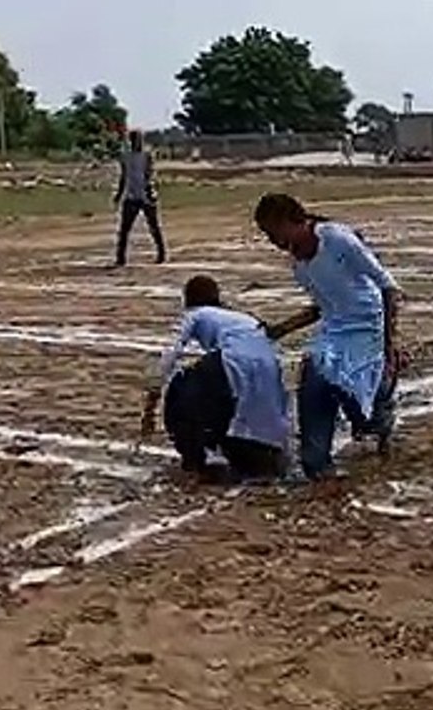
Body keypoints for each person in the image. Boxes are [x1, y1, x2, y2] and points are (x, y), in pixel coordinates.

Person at [255, 193, 401, 481]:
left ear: (290, 221)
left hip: (367, 323)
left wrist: (389, 344)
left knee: (343, 381)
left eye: (272, 232)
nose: (272, 241)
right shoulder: (299, 265)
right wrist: (282, 328)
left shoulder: (337, 240)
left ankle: (378, 416)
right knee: (314, 376)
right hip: (335, 329)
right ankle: (316, 458)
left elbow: (388, 287)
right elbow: (323, 307)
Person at [140, 275, 289, 481]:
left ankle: (200, 454)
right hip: (270, 367)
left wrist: (151, 403)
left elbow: (169, 353)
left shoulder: (196, 314)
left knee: (184, 388)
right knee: (235, 400)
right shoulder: (242, 317)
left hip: (233, 360)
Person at [113, 129, 166, 267]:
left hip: (146, 195)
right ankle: (120, 258)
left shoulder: (147, 155)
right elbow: (124, 176)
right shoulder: (126, 156)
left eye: (139, 139)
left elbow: (150, 174)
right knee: (124, 229)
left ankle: (161, 253)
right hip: (131, 195)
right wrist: (119, 194)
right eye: (134, 140)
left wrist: (149, 192)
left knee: (154, 226)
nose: (137, 142)